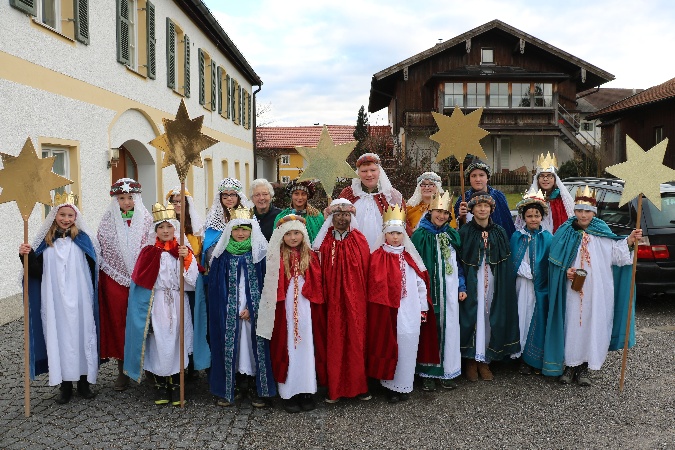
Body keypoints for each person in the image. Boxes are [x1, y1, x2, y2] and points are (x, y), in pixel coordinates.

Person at [543, 186, 641, 386]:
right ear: (574, 211)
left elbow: (616, 255)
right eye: (579, 210)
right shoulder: (565, 231)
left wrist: (629, 240)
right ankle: (570, 366)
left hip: (597, 290)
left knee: (592, 324)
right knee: (571, 324)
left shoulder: (602, 231)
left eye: (587, 211)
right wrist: (565, 272)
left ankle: (584, 368)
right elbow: (555, 261)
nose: (583, 214)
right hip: (572, 290)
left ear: (594, 212)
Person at [123, 203, 210, 406]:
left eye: (169, 227)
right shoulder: (149, 252)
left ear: (175, 229)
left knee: (178, 339)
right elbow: (141, 282)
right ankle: (160, 383)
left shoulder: (183, 251)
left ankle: (177, 382)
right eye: (161, 228)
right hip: (158, 304)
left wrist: (185, 259)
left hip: (178, 302)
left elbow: (192, 281)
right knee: (160, 341)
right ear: (155, 231)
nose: (165, 231)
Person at [20, 195, 100, 404]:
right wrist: (25, 256)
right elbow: (36, 273)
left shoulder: (83, 239)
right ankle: (65, 385)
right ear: (54, 216)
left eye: (70, 215)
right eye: (62, 214)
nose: (66, 219)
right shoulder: (45, 242)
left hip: (81, 297)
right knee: (60, 336)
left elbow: (94, 268)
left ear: (76, 216)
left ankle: (83, 382)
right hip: (55, 299)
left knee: (82, 334)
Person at [367, 205, 439, 403]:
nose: (395, 237)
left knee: (408, 343)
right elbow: (374, 284)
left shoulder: (410, 256)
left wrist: (423, 307)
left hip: (410, 309)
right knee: (389, 344)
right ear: (385, 234)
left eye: (398, 233)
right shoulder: (377, 256)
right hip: (388, 309)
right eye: (391, 233)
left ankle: (404, 385)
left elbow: (420, 282)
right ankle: (389, 385)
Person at [207, 206, 276, 407]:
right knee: (232, 349)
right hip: (229, 312)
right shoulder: (222, 256)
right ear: (230, 230)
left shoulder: (259, 255)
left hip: (252, 312)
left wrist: (253, 309)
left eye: (245, 229)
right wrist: (229, 308)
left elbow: (267, 285)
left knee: (253, 348)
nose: (240, 234)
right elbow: (216, 286)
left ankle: (256, 386)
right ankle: (233, 385)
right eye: (236, 229)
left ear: (252, 230)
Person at [256, 215, 326, 414]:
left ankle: (307, 391)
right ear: (281, 236)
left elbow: (317, 282)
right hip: (284, 309)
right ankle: (289, 393)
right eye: (288, 234)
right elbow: (270, 285)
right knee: (287, 347)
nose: (293, 237)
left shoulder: (310, 256)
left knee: (306, 346)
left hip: (306, 308)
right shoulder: (275, 256)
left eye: (297, 233)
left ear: (303, 235)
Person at [312, 199, 370, 403]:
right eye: (338, 215)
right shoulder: (323, 243)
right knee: (334, 340)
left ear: (351, 217)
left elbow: (365, 269)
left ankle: (359, 386)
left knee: (356, 339)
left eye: (346, 215)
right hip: (332, 301)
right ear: (332, 217)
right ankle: (334, 388)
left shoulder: (359, 239)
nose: (342, 218)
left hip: (356, 300)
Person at [97, 178, 152, 391]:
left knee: (144, 322)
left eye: (130, 197)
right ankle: (122, 370)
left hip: (142, 279)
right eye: (122, 198)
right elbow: (102, 246)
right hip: (115, 279)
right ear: (115, 199)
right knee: (119, 323)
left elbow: (150, 246)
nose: (126, 202)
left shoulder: (147, 220)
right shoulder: (106, 221)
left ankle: (148, 368)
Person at [458, 191, 520, 382]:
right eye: (478, 206)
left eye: (486, 206)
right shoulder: (465, 231)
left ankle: (485, 360)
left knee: (488, 316)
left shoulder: (499, 232)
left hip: (493, 280)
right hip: (472, 279)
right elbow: (461, 259)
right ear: (472, 210)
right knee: (472, 316)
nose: (482, 209)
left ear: (491, 210)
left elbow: (505, 262)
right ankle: (470, 360)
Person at [411, 192, 466, 391]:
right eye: (438, 212)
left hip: (449, 292)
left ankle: (446, 370)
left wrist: (461, 286)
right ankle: (428, 372)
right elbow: (414, 265)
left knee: (449, 329)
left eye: (444, 213)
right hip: (428, 291)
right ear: (430, 211)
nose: (441, 216)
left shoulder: (452, 234)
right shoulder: (419, 235)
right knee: (429, 331)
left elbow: (459, 264)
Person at [509, 188, 553, 375]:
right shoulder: (517, 236)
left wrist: (537, 275)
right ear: (523, 217)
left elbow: (551, 263)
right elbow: (513, 260)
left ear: (542, 217)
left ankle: (535, 359)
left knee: (538, 320)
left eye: (537, 215)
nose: (533, 219)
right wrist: (524, 271)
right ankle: (521, 357)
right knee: (522, 318)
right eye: (529, 216)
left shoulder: (548, 238)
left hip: (540, 288)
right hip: (522, 286)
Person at [338, 152, 405, 251]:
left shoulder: (391, 196)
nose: (369, 174)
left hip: (384, 252)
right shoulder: (348, 194)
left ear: (379, 171)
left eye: (373, 170)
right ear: (358, 173)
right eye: (364, 171)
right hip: (353, 251)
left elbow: (401, 227)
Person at [454, 159, 516, 238]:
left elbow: (506, 222)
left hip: (495, 243)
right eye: (473, 176)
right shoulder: (463, 199)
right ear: (469, 179)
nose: (478, 179)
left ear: (487, 177)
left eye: (481, 175)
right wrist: (460, 217)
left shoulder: (498, 196)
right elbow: (456, 230)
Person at [514, 152, 574, 234]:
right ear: (537, 179)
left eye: (549, 176)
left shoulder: (561, 200)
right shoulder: (530, 200)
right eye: (542, 176)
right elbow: (521, 223)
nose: (545, 179)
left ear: (554, 179)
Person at [166, 186, 204, 260]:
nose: (178, 205)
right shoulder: (167, 223)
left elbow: (196, 249)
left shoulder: (194, 224)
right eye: (174, 202)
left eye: (181, 201)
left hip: (191, 263)